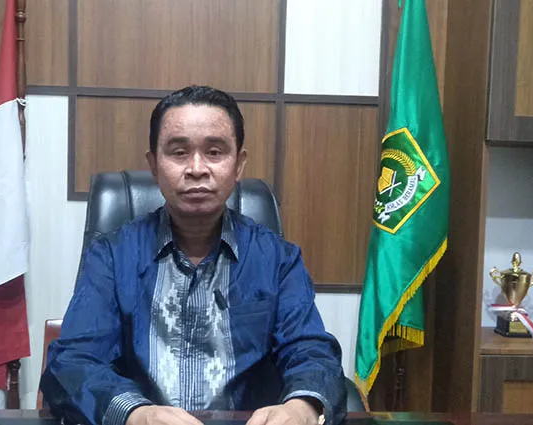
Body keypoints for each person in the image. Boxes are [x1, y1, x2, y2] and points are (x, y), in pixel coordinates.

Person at [40, 85, 347, 425]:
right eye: (179, 152)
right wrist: (136, 414)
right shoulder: (112, 256)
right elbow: (74, 361)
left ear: (239, 164)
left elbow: (312, 352)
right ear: (154, 165)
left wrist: (302, 407)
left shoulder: (277, 260)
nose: (197, 168)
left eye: (214, 152)